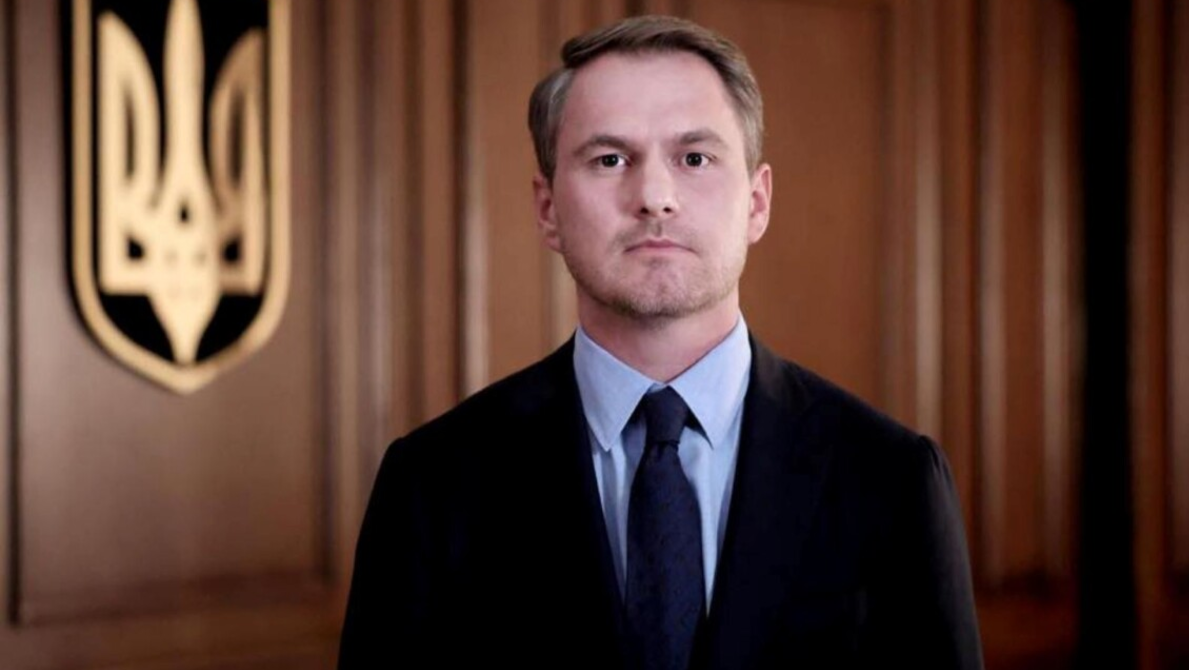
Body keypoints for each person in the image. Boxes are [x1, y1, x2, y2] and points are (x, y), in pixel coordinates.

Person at [338, 14, 983, 670]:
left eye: (694, 158)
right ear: (547, 209)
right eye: (609, 159)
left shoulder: (894, 480)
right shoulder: (430, 485)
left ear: (757, 202)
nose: (654, 197)